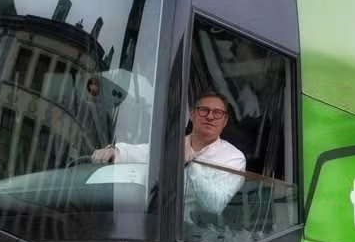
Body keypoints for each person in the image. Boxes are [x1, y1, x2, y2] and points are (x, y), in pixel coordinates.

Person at [91, 92, 246, 217]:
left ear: (225, 121)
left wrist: (191, 165)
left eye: (217, 113)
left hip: (195, 237)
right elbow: (141, 152)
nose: (210, 117)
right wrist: (113, 151)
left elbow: (215, 204)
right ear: (192, 115)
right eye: (204, 110)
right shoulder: (173, 145)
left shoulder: (233, 157)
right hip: (150, 222)